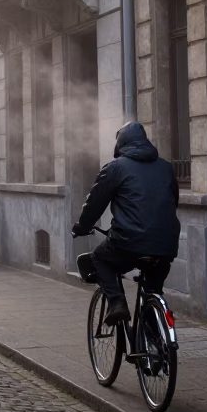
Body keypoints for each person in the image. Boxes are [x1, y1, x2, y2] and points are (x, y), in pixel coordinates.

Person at [72, 121, 180, 326]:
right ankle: (156, 342)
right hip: (166, 244)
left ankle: (117, 303)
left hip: (128, 241)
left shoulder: (116, 168)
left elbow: (95, 202)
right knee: (153, 291)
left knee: (100, 260)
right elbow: (173, 200)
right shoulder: (165, 167)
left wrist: (82, 226)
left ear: (120, 145)